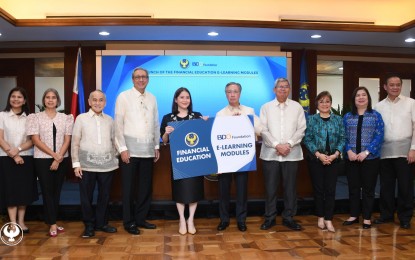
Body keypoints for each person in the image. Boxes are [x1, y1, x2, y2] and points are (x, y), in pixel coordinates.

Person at [115, 67, 160, 235]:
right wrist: (122, 148)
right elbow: (118, 125)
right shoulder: (123, 97)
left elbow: (155, 123)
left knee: (145, 188)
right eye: (137, 77)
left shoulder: (152, 98)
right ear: (133, 79)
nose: (141, 79)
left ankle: (141, 219)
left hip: (148, 150)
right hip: (130, 151)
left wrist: (156, 145)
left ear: (148, 79)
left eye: (144, 77)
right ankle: (129, 222)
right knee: (128, 189)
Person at [259, 78, 306, 231]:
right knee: (271, 189)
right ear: (274, 90)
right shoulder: (266, 107)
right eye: (280, 87)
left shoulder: (297, 107)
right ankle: (270, 218)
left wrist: (289, 144)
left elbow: (301, 130)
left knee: (290, 189)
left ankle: (289, 218)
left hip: (291, 154)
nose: (283, 89)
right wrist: (276, 145)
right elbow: (263, 130)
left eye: (286, 87)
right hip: (270, 154)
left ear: (289, 89)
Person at [26, 88, 73, 237]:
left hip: (62, 159)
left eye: (53, 97)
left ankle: (52, 220)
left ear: (58, 101)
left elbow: (67, 140)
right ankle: (52, 224)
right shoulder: (35, 117)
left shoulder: (66, 118)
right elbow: (35, 140)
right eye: (47, 97)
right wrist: (54, 155)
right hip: (42, 159)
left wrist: (58, 158)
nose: (50, 100)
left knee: (56, 191)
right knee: (47, 191)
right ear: (44, 100)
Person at [71, 90, 119, 238]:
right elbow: (75, 142)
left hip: (107, 165)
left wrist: (116, 157)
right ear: (89, 101)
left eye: (101, 100)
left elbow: (115, 141)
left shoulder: (110, 120)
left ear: (105, 103)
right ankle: (89, 226)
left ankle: (102, 223)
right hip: (86, 165)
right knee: (87, 197)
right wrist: (76, 163)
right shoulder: (81, 119)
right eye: (95, 100)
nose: (98, 103)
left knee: (104, 196)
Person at [215, 82, 261, 232]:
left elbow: (260, 130)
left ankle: (241, 220)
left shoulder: (249, 110)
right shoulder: (220, 114)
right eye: (229, 92)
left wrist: (244, 120)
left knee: (242, 191)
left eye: (235, 91)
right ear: (225, 94)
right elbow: (217, 137)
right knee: (224, 191)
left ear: (240, 93)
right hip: (226, 159)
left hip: (243, 158)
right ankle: (224, 220)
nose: (232, 94)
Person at [160, 87, 205, 235]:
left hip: (195, 160)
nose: (185, 100)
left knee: (194, 191)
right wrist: (166, 133)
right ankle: (181, 219)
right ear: (176, 100)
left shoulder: (197, 116)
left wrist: (206, 123)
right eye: (182, 97)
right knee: (180, 191)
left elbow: (204, 137)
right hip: (178, 161)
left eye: (187, 97)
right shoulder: (168, 118)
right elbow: (164, 141)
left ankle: (190, 219)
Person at [374, 74, 414, 229]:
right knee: (386, 186)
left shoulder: (411, 103)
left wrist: (413, 149)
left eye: (398, 84)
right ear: (385, 87)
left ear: (401, 86)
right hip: (384, 152)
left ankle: (405, 217)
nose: (395, 87)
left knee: (405, 187)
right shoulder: (378, 107)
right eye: (392, 85)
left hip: (406, 152)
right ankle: (386, 215)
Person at [303, 91, 345, 232]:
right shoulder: (311, 119)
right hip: (316, 160)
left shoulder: (338, 119)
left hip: (333, 159)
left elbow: (342, 138)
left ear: (331, 103)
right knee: (319, 190)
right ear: (317, 104)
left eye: (327, 101)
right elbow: (307, 139)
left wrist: (335, 155)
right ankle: (320, 216)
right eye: (321, 101)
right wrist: (319, 155)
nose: (325, 104)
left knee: (331, 190)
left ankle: (329, 219)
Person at [343, 86, 384, 229]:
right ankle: (354, 215)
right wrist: (348, 151)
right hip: (352, 159)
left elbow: (379, 136)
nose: (361, 97)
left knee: (368, 189)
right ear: (354, 100)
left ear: (368, 98)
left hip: (370, 159)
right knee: (353, 188)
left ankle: (367, 217)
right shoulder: (348, 117)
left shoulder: (375, 116)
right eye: (357, 95)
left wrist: (366, 152)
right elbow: (343, 137)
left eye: (363, 95)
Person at [0, 87, 38, 233]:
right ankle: (12, 223)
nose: (16, 99)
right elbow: (0, 139)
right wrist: (14, 155)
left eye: (19, 97)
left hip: (26, 157)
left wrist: (19, 150)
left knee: (23, 191)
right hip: (6, 158)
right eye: (13, 96)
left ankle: (21, 222)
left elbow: (33, 140)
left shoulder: (30, 118)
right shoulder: (2, 116)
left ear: (24, 100)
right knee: (10, 191)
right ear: (9, 99)